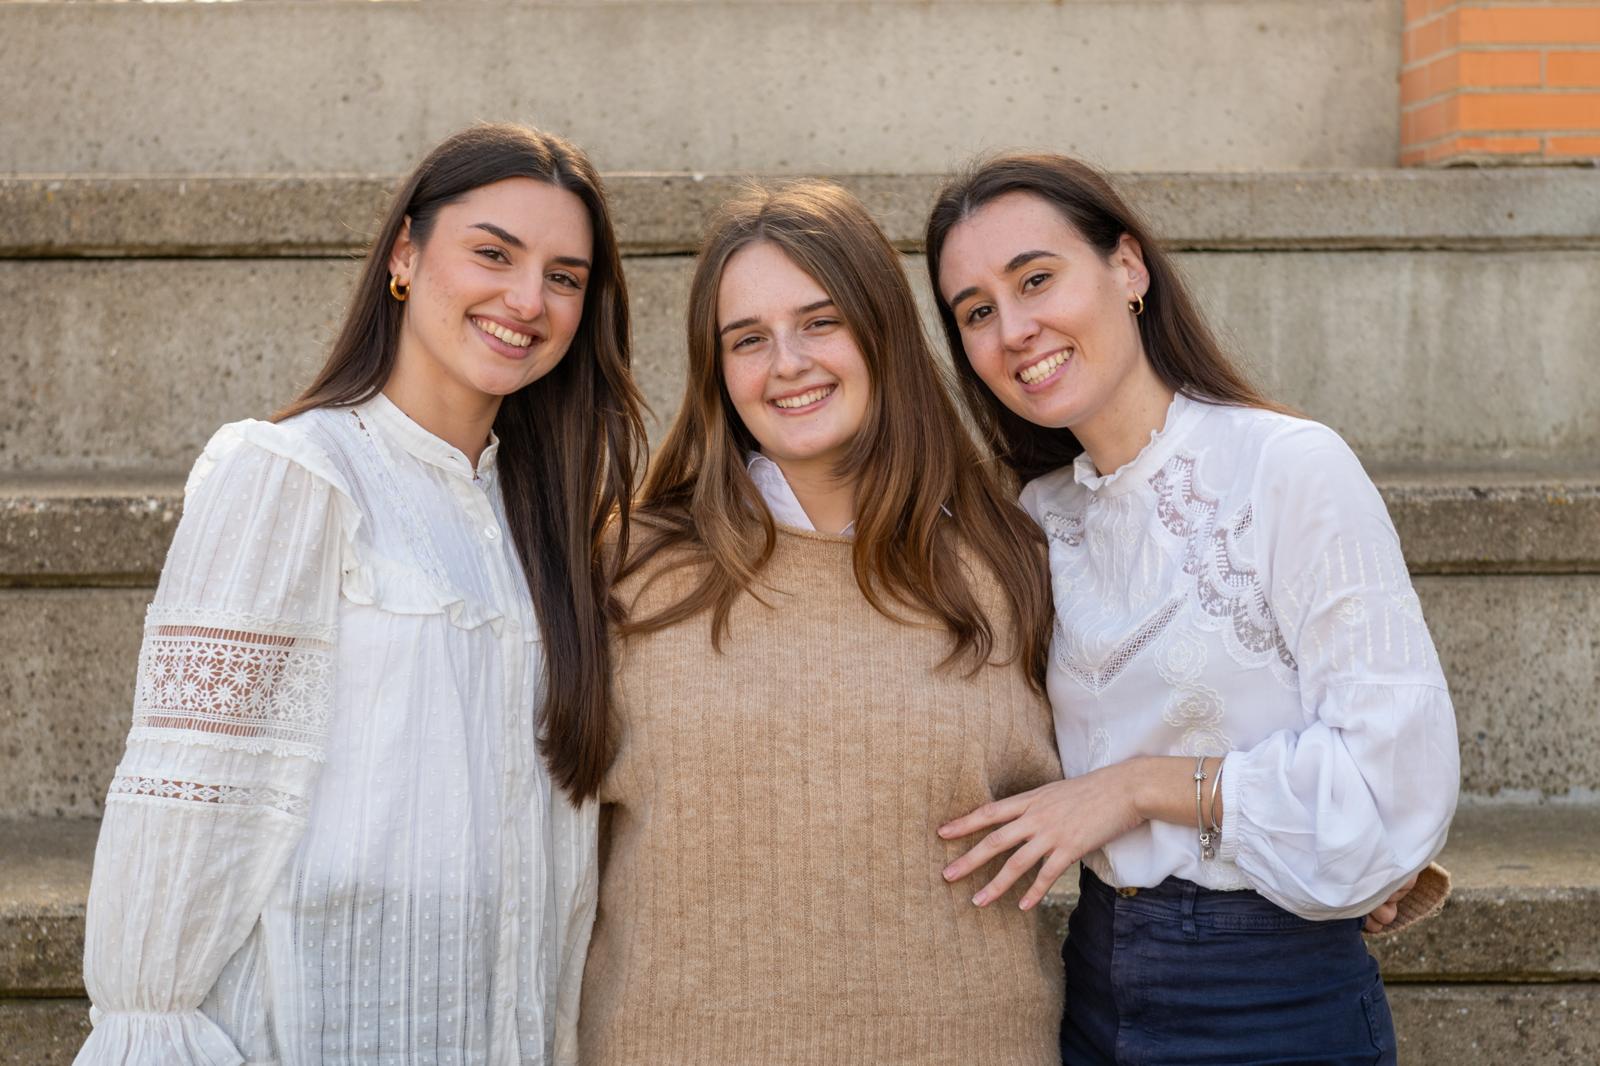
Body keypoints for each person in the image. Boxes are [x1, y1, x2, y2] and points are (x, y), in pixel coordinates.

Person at [76, 123, 645, 1066]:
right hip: (324, 1027)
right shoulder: (292, 475)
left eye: (564, 277)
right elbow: (185, 820)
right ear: (406, 256)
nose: (526, 299)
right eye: (492, 253)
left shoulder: (547, 519)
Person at [924, 153, 1458, 1064]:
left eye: (1036, 279)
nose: (1014, 329)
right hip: (1094, 979)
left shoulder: (1290, 468)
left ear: (1128, 269)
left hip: (1273, 993)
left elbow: (1388, 784)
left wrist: (1134, 788)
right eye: (977, 312)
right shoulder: (1034, 519)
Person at [578, 181, 1063, 1065]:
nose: (787, 363)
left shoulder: (1014, 560)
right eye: (748, 339)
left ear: (884, 333)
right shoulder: (627, 566)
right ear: (717, 370)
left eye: (821, 321)